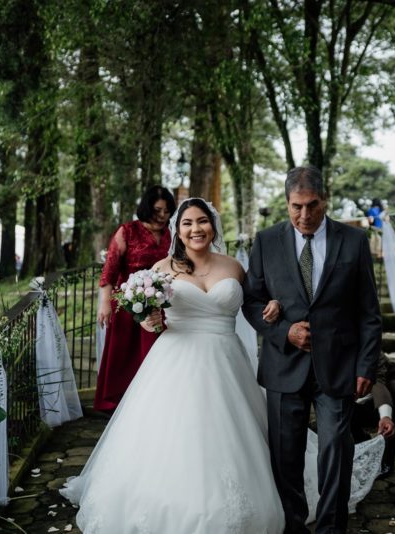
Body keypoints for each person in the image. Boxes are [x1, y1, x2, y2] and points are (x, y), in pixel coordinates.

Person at [61, 198, 286, 532]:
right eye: (187, 223)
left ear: (213, 225)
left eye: (202, 221)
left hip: (226, 360)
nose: (196, 229)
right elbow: (145, 319)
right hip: (176, 359)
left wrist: (274, 306)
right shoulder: (160, 270)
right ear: (177, 231)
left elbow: (255, 303)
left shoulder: (235, 268)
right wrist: (149, 321)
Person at [242, 166, 383, 534]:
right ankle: (293, 526)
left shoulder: (353, 242)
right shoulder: (266, 241)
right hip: (282, 366)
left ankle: (331, 528)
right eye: (295, 206)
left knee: (336, 450)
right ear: (286, 203)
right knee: (285, 455)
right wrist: (285, 331)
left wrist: (367, 365)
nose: (304, 215)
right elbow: (251, 303)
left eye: (312, 205)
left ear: (325, 200)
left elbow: (369, 312)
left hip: (338, 367)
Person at [93, 185, 176, 412]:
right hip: (128, 301)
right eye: (158, 210)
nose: (162, 216)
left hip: (160, 302)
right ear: (147, 208)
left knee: (155, 353)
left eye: (167, 211)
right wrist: (104, 303)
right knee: (124, 354)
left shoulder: (172, 233)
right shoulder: (127, 231)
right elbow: (110, 269)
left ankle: (152, 399)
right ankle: (118, 402)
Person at [352, 353, 395, 478]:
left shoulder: (370, 351)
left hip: (389, 392)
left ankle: (387, 456)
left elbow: (378, 382)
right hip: (359, 399)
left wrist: (386, 417)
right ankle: (361, 442)